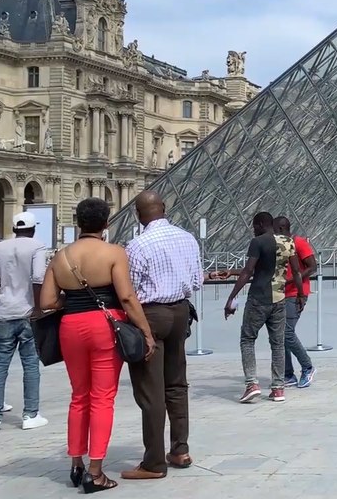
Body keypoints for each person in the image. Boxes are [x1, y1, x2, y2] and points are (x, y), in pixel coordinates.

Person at [40, 197, 155, 492]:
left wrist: (74, 300)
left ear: (79, 222)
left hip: (71, 327)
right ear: (106, 223)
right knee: (102, 398)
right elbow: (127, 297)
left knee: (79, 396)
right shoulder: (114, 252)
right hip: (105, 325)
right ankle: (96, 471)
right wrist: (145, 332)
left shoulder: (60, 256)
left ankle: (77, 464)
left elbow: (47, 302)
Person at [123, 191, 204, 479]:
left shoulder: (136, 246)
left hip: (151, 316)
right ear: (164, 208)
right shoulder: (187, 238)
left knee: (150, 390)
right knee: (177, 384)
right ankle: (180, 449)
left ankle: (154, 462)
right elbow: (197, 280)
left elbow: (128, 292)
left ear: (137, 214)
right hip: (180, 312)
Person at [224, 212, 304, 403]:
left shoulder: (258, 242)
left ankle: (252, 384)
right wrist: (301, 295)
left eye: (254, 225)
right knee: (277, 344)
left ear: (261, 224)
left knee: (247, 339)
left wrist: (231, 297)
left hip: (258, 298)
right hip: (279, 299)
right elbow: (297, 272)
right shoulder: (287, 242)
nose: (253, 229)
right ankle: (278, 388)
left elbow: (248, 271)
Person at [0, 211, 50, 432]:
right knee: (30, 364)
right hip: (28, 312)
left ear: (14, 229)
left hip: (3, 313)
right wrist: (39, 308)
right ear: (32, 229)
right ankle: (30, 414)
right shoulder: (37, 247)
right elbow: (39, 278)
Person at [274, 216, 317, 388]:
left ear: (283, 229)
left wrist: (293, 281)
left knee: (286, 332)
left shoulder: (299, 243)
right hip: (282, 294)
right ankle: (288, 374)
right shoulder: (280, 245)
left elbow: (313, 267)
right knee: (280, 333)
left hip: (297, 294)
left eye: (275, 230)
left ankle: (307, 367)